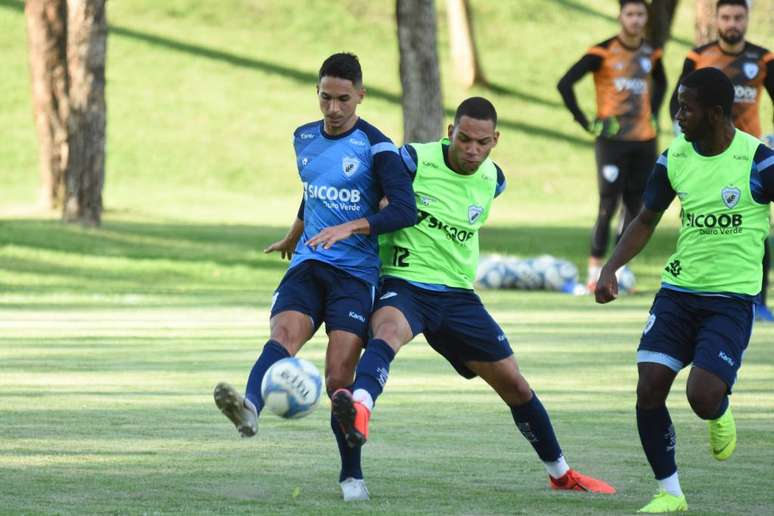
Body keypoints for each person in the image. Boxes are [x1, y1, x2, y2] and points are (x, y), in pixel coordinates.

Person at [330, 97, 616, 497]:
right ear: (450, 133)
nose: (472, 150)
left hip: (459, 297)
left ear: (495, 140)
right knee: (387, 333)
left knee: (515, 384)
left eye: (482, 142)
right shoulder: (412, 160)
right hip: (405, 283)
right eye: (464, 139)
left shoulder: (493, 180)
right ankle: (360, 407)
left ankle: (561, 474)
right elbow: (366, 192)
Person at [212, 52, 417, 502]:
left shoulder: (379, 149)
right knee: (282, 334)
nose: (333, 109)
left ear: (361, 96)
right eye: (326, 98)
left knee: (339, 376)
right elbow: (314, 190)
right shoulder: (303, 137)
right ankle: (249, 409)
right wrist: (295, 232)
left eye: (344, 99)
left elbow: (405, 210)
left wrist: (353, 225)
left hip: (356, 274)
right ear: (318, 94)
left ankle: (351, 477)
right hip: (308, 263)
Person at [596, 67, 774, 513]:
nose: (677, 115)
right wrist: (611, 268)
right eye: (677, 105)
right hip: (678, 293)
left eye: (686, 108)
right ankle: (669, 494)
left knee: (702, 396)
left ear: (715, 114)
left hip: (730, 302)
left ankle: (718, 410)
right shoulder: (674, 157)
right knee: (650, 385)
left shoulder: (757, 161)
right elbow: (645, 219)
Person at [669, 0, 774, 321]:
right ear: (716, 20)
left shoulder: (764, 58)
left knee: (757, 227)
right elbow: (678, 104)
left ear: (747, 19)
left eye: (738, 17)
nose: (732, 23)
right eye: (726, 17)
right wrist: (683, 141)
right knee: (702, 221)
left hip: (749, 158)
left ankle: (759, 300)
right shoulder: (699, 57)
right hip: (708, 157)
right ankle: (695, 287)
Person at [557, 0, 667, 292]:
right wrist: (585, 121)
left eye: (640, 14)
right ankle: (594, 272)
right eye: (629, 14)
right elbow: (565, 84)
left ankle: (620, 272)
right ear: (621, 17)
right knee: (608, 206)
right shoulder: (603, 51)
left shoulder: (651, 53)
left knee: (636, 206)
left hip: (644, 141)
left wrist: (654, 115)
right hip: (612, 142)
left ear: (646, 18)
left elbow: (662, 82)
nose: (635, 19)